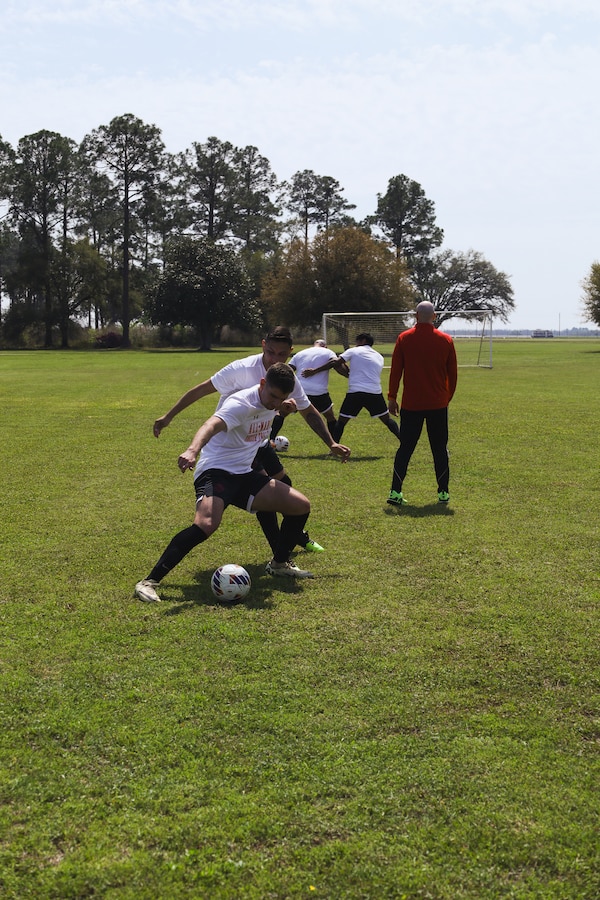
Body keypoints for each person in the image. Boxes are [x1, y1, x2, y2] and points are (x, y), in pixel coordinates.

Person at [153, 326, 350, 555]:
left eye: (282, 354)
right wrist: (168, 417)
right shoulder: (242, 369)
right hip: (232, 445)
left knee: (283, 486)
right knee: (267, 492)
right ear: (263, 345)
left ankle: (288, 542)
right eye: (271, 352)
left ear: (291, 353)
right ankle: (282, 549)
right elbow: (201, 390)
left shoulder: (286, 376)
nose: (275, 359)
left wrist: (331, 443)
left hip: (259, 441)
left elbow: (308, 410)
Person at [135, 364, 319, 603]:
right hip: (215, 472)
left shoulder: (274, 404)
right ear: (262, 384)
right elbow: (210, 425)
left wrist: (282, 410)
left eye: (281, 398)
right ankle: (149, 581)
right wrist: (192, 450)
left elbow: (272, 414)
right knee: (206, 524)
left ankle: (279, 564)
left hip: (245, 474)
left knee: (300, 505)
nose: (275, 402)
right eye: (273, 396)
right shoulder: (241, 403)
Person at [386, 300, 458, 506]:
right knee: (439, 449)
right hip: (438, 404)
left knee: (405, 448)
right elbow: (452, 375)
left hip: (411, 405)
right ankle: (443, 493)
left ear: (415, 316)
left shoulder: (404, 338)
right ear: (434, 317)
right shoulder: (446, 340)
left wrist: (392, 397)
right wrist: (446, 397)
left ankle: (395, 492)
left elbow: (396, 371)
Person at [302, 332, 400, 443]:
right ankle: (404, 440)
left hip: (356, 392)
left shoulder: (354, 350)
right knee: (387, 420)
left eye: (357, 341)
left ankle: (334, 448)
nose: (356, 344)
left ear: (362, 341)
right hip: (374, 392)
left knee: (341, 422)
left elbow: (335, 362)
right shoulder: (379, 356)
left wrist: (315, 371)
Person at [271, 339, 348, 439]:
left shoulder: (300, 353)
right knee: (330, 416)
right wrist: (348, 374)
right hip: (318, 391)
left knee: (282, 413)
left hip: (298, 389)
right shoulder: (328, 352)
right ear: (325, 346)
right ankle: (334, 445)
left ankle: (271, 439)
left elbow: (288, 370)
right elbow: (336, 364)